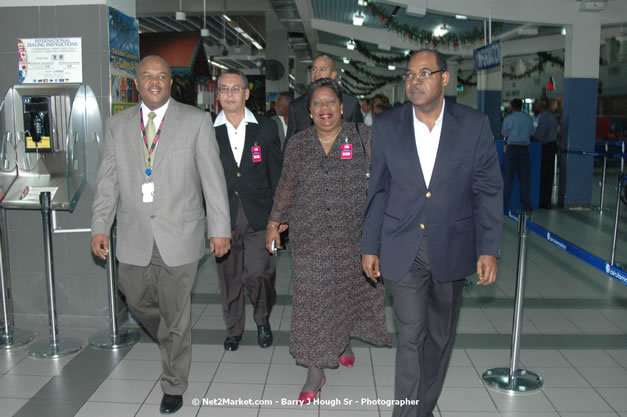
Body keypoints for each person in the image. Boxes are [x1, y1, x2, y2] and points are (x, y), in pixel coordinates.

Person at [361, 50, 503, 417]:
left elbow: (487, 189)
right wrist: (370, 245)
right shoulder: (388, 125)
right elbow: (378, 190)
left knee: (439, 338)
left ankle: (422, 407)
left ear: (445, 79)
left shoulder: (473, 125)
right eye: (408, 75)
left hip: (452, 246)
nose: (414, 81)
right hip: (402, 244)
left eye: (424, 73)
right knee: (410, 337)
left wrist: (489, 248)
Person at [91, 55, 231, 414]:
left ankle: (173, 383)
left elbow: (213, 181)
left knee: (177, 312)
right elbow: (107, 183)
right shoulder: (117, 125)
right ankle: (171, 338)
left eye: (162, 76)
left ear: (171, 83)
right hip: (135, 234)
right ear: (136, 83)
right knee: (135, 296)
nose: (155, 82)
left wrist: (219, 229)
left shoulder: (196, 122)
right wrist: (99, 227)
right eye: (147, 77)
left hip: (180, 234)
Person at [266, 78, 391, 403]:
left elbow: (384, 185)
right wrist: (274, 222)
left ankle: (343, 340)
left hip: (354, 236)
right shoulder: (299, 143)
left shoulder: (365, 138)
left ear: (342, 107)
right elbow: (287, 185)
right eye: (317, 103)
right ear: (309, 110)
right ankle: (315, 368)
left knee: (346, 292)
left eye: (330, 102)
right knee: (313, 299)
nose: (325, 109)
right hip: (309, 237)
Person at [213, 69, 283, 352]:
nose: (229, 94)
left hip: (260, 215)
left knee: (258, 272)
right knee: (229, 277)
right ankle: (234, 328)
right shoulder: (208, 131)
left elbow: (277, 173)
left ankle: (262, 318)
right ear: (218, 96)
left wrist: (279, 217)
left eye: (235, 88)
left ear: (246, 93)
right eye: (224, 89)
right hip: (223, 215)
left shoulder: (266, 127)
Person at [285, 55, 363, 141]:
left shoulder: (350, 104)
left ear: (333, 74)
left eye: (322, 69)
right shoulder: (296, 106)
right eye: (314, 69)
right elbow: (289, 143)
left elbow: (359, 140)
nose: (316, 74)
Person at [502, 98, 535, 211]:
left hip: (511, 150)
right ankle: (527, 205)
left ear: (511, 107)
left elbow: (504, 133)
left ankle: (504, 205)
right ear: (521, 106)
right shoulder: (528, 119)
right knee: (525, 179)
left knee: (507, 178)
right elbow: (532, 133)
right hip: (524, 150)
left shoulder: (508, 119)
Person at [533, 98, 559, 209]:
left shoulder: (543, 118)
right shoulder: (553, 117)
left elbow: (539, 136)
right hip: (552, 146)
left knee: (543, 175)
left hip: (545, 148)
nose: (535, 107)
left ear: (542, 106)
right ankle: (547, 201)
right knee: (549, 176)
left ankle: (541, 201)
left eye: (537, 105)